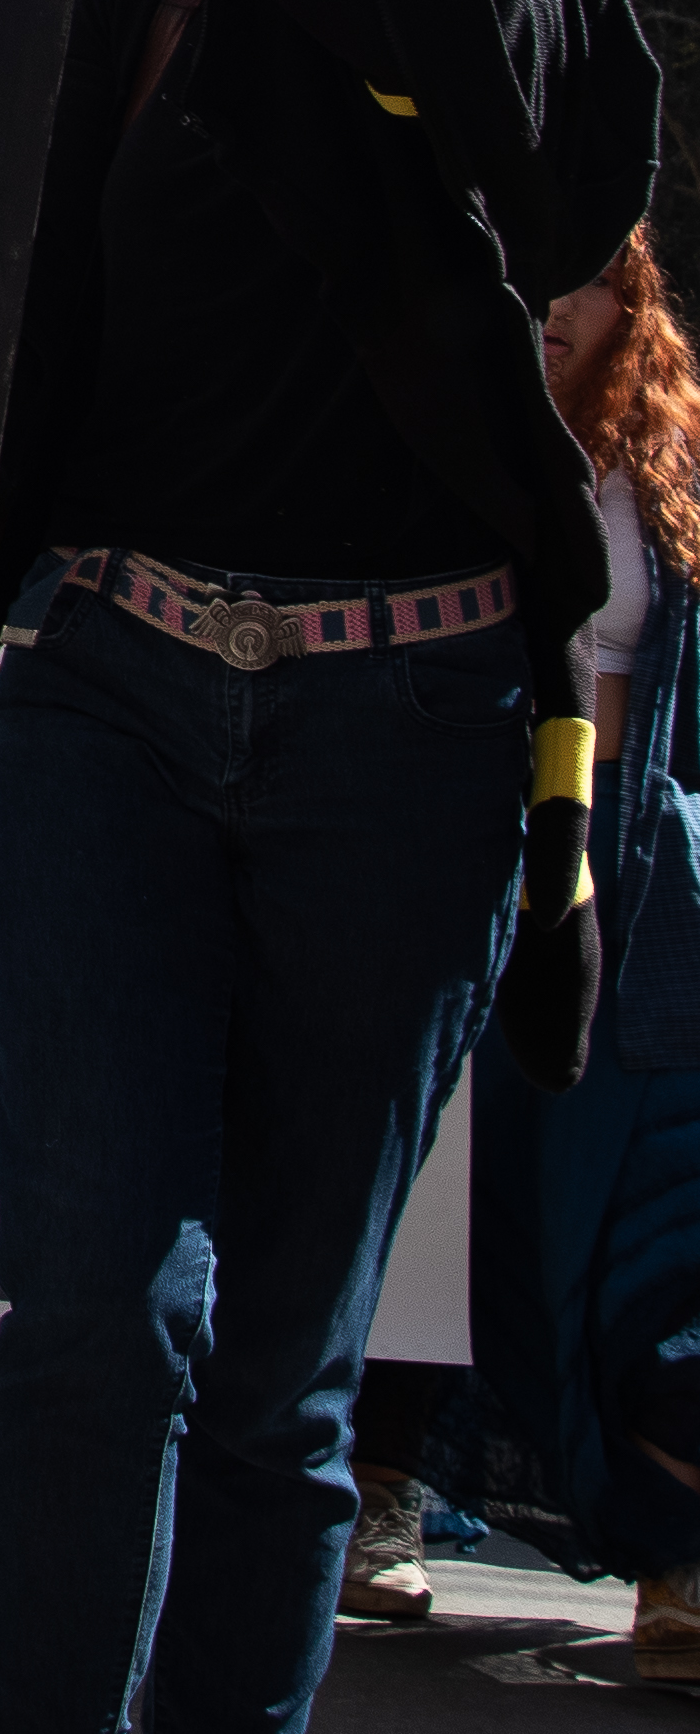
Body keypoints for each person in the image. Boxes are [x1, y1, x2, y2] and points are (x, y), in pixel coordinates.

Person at [0, 0, 660, 1727]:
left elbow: (442, 20)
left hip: (416, 740)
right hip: (112, 712)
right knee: (94, 1311)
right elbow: (22, 323)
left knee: (282, 1373)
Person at [447, 229, 700, 1674]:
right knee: (482, 1222)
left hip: (644, 888)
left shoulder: (670, 477)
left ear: (632, 307)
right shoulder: (440, 430)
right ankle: (390, 1488)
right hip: (466, 867)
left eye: (591, 284)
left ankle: (676, 1561)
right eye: (537, 285)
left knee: (655, 1229)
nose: (558, 312)